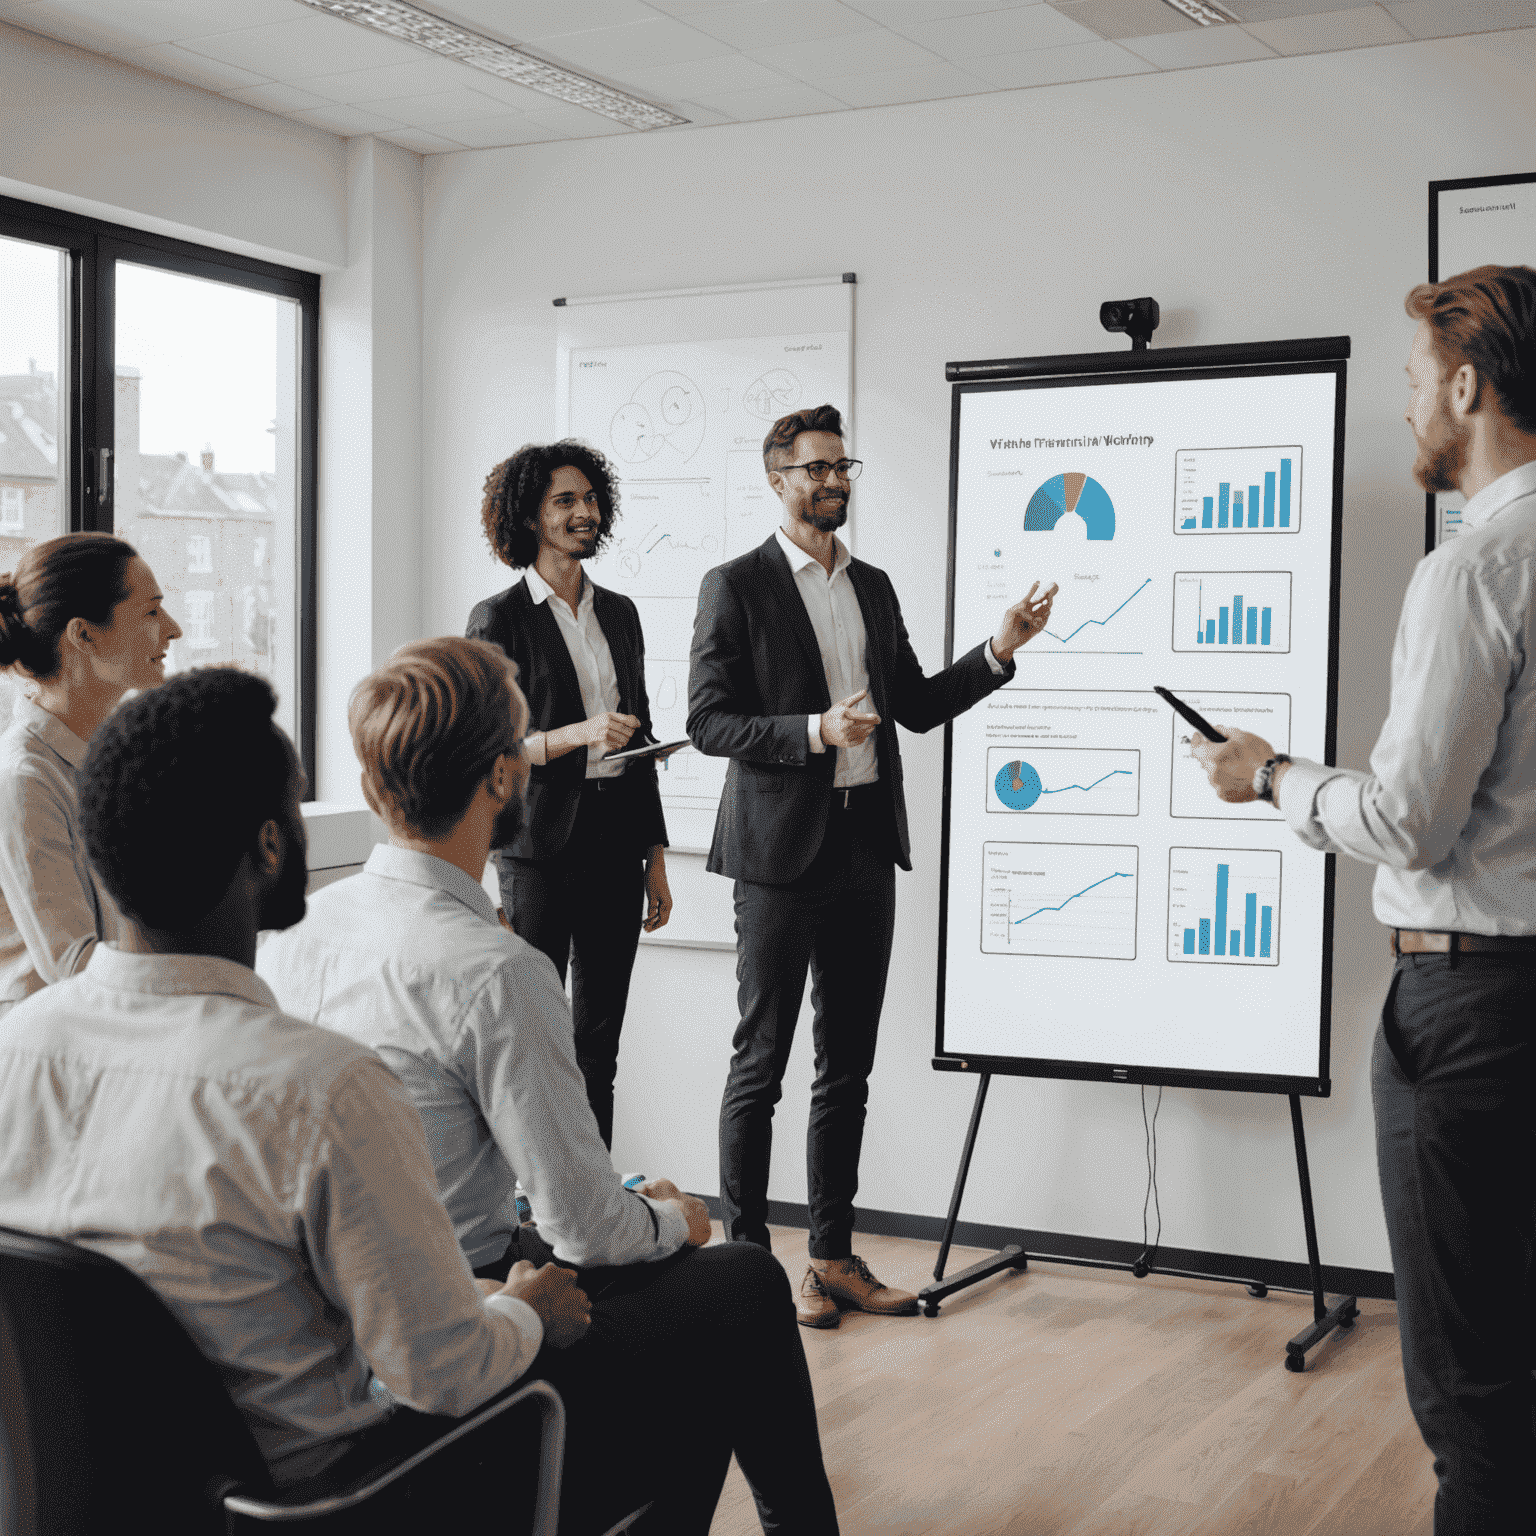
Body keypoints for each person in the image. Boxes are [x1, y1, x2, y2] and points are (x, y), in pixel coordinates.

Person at [258, 636, 840, 1534]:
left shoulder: (298, 932)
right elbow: (587, 1232)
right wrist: (672, 1218)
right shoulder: (496, 972)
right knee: (745, 1279)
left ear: (374, 788)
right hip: (460, 1352)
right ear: (503, 778)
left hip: (343, 1328)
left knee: (675, 1267)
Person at [0, 667, 591, 1523]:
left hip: (89, 1508)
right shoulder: (323, 1090)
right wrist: (527, 1314)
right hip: (333, 1500)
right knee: (682, 1309)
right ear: (271, 847)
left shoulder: (14, 1049)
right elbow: (442, 1371)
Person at [1191, 263, 1536, 1534]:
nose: (1404, 413)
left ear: (1467, 383)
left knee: (1474, 1390)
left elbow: (1406, 819)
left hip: (1474, 1013)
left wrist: (1270, 774)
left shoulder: (1475, 569)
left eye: (1409, 385)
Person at [687, 403, 1058, 1328]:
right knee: (761, 1062)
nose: (833, 481)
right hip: (776, 856)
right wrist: (814, 731)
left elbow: (919, 706)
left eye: (842, 465)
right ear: (778, 481)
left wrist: (999, 650)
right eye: (815, 468)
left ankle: (831, 1258)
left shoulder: (875, 586)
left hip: (862, 847)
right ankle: (749, 1270)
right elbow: (706, 721)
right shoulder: (734, 586)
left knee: (845, 1067)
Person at [468, 441, 673, 1148]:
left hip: (618, 843)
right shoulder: (499, 619)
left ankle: (595, 1204)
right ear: (529, 517)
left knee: (599, 1044)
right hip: (538, 850)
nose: (585, 512)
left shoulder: (620, 613)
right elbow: (488, 747)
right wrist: (577, 735)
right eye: (566, 501)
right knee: (532, 1039)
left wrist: (656, 854)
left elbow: (640, 735)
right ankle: (528, 1204)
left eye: (590, 499)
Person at [0, 533, 181, 1015]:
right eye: (151, 611)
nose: (173, 629)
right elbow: (73, 965)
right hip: (57, 1056)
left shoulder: (124, 754)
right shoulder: (23, 778)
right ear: (83, 635)